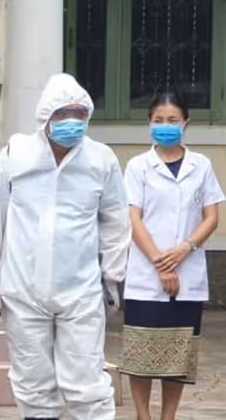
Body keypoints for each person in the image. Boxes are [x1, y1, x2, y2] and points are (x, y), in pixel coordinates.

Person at [0, 72, 130, 420]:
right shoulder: (16, 154)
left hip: (81, 292)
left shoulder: (100, 160)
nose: (71, 122)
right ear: (45, 117)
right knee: (33, 384)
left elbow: (116, 221)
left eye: (79, 114)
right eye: (62, 114)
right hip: (22, 290)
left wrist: (112, 279)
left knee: (87, 384)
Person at [121, 92, 223, 420]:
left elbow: (211, 217)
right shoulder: (138, 166)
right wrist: (159, 263)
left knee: (178, 350)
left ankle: (168, 416)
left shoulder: (201, 165)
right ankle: (142, 415)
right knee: (140, 349)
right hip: (146, 273)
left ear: (186, 124)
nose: (165, 126)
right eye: (158, 120)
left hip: (187, 272)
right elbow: (133, 219)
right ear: (149, 123)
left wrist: (185, 249)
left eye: (173, 120)